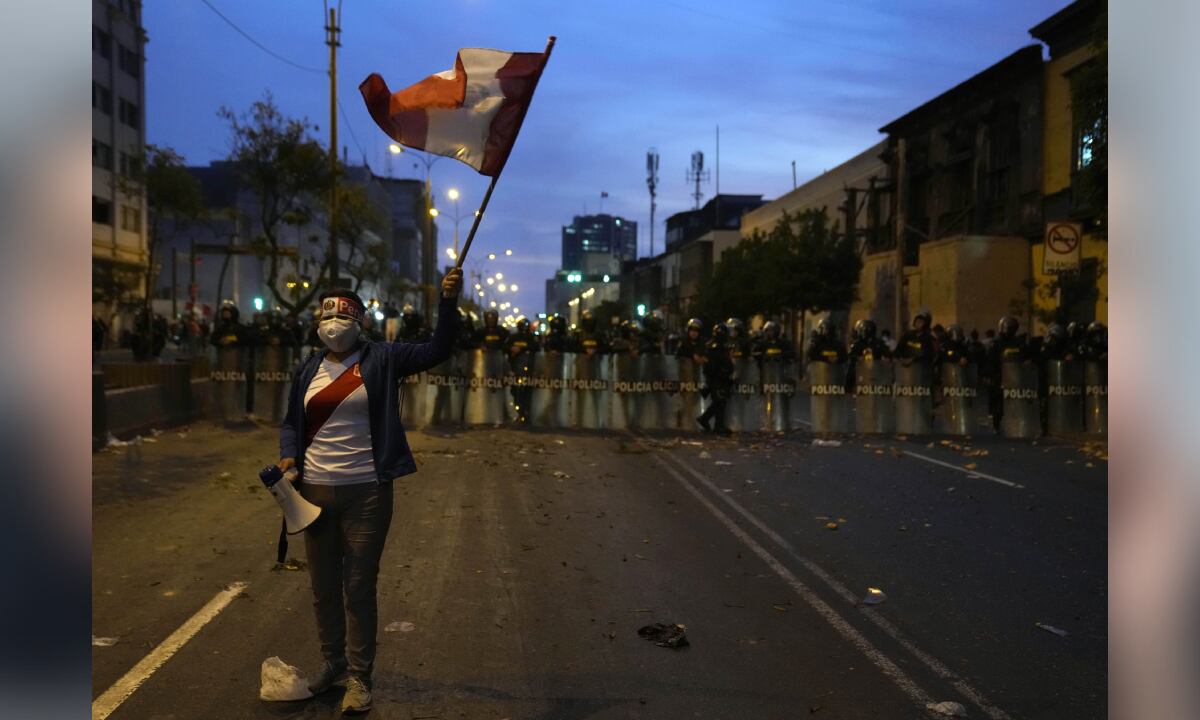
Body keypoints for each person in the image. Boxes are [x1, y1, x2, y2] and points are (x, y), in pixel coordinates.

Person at [277, 268, 462, 714]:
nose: (333, 327)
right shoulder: (307, 369)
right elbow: (291, 424)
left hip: (368, 493)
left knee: (358, 586)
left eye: (342, 318)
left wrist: (448, 303)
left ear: (359, 322)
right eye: (327, 319)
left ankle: (359, 678)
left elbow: (439, 348)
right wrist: (288, 458)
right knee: (323, 587)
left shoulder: (384, 358)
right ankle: (332, 664)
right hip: (315, 495)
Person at [696, 322, 734, 434]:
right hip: (717, 379)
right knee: (719, 402)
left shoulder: (715, 346)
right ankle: (714, 423)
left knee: (719, 402)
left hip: (718, 379)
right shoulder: (716, 347)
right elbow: (715, 365)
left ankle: (713, 423)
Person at [505, 317, 539, 423]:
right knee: (516, 391)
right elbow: (505, 347)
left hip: (528, 370)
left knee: (527, 392)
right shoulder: (513, 337)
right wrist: (511, 349)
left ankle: (526, 413)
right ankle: (519, 413)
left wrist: (522, 349)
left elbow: (536, 347)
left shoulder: (531, 337)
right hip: (516, 369)